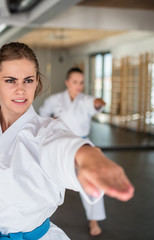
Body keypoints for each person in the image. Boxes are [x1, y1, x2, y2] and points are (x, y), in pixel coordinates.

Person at [0, 42, 134, 239]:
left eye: (28, 80)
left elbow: (61, 147)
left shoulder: (47, 130)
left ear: (36, 82)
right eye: (10, 80)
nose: (21, 90)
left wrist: (86, 156)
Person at [39, 67, 106, 236]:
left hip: (82, 144)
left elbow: (94, 103)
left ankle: (94, 220)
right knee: (47, 180)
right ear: (67, 82)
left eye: (81, 82)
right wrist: (51, 120)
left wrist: (98, 103)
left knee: (92, 179)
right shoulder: (55, 99)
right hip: (59, 145)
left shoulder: (85, 100)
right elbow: (43, 114)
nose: (78, 85)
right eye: (75, 82)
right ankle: (39, 218)